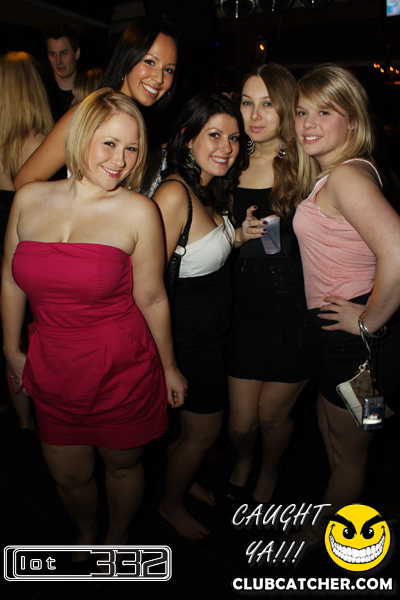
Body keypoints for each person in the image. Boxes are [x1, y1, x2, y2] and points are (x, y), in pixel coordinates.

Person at [1, 88, 186, 564]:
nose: (120, 160)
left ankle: (116, 538)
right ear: (80, 136)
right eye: (109, 143)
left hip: (120, 369)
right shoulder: (28, 198)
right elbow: (9, 278)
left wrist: (169, 367)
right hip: (53, 366)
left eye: (132, 148)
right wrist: (11, 350)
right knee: (68, 476)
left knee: (122, 467)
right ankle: (86, 532)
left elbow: (151, 296)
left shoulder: (138, 211)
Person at [292, 64, 400, 543]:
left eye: (324, 112)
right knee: (346, 445)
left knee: (351, 455)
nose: (308, 123)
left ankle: (326, 540)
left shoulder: (348, 177)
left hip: (359, 346)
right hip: (350, 344)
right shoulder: (342, 173)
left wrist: (369, 322)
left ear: (352, 120)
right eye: (302, 112)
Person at [152, 93, 247, 540]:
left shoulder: (209, 187)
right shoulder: (174, 194)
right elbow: (147, 283)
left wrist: (240, 236)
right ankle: (169, 504)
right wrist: (168, 364)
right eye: (214, 135)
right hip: (188, 341)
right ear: (187, 137)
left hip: (212, 335)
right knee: (205, 432)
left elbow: (202, 251)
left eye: (234, 137)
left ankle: (180, 477)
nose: (227, 147)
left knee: (192, 432)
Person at [226, 64, 320, 504]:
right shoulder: (229, 160)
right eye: (247, 103)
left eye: (267, 104)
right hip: (242, 306)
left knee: (271, 417)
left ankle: (269, 469)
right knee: (241, 424)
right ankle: (246, 456)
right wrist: (236, 235)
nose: (254, 115)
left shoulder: (307, 164)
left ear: (285, 107)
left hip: (295, 308)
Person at [15, 17, 178, 190]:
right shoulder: (86, 114)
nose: (159, 78)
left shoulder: (151, 127)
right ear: (127, 58)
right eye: (150, 62)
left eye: (168, 70)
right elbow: (25, 180)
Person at [0, 50, 53, 441]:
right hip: (33, 257)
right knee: (36, 337)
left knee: (10, 341)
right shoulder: (44, 146)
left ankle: (23, 423)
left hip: (5, 261)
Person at [42, 25, 81, 120]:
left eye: (63, 53)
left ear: (77, 53)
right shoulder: (42, 92)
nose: (58, 61)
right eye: (53, 54)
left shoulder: (90, 90)